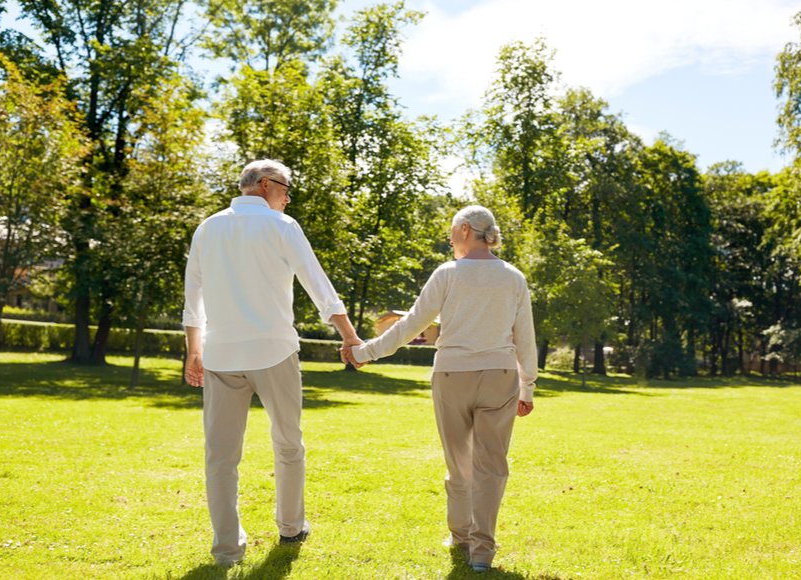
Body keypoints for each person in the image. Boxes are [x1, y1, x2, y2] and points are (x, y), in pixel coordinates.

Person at [182, 159, 361, 567]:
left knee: (220, 456)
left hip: (221, 355)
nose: (288, 195)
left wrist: (195, 350)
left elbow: (194, 295)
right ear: (265, 185)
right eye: (286, 188)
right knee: (288, 443)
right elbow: (318, 284)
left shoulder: (208, 227)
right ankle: (290, 526)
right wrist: (349, 336)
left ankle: (227, 549)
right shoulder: (283, 226)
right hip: (274, 352)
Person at [345, 205, 537, 573]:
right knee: (491, 465)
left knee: (460, 464)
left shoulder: (447, 274)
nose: (449, 238)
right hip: (500, 376)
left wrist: (366, 352)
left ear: (465, 230)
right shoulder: (514, 277)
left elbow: (411, 324)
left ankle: (461, 535)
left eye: (452, 231)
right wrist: (527, 386)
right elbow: (524, 337)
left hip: (452, 377)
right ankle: (482, 550)